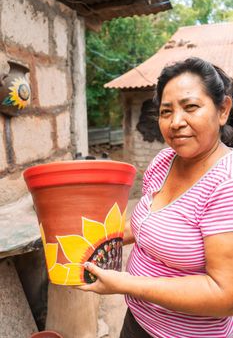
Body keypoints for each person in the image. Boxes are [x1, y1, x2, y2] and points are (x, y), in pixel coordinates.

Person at [79, 57, 233, 337]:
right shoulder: (164, 161)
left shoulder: (226, 183)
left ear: (223, 110)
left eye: (191, 107)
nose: (176, 122)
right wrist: (89, 240)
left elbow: (225, 295)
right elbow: (146, 225)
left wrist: (125, 283)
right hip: (138, 321)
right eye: (165, 112)